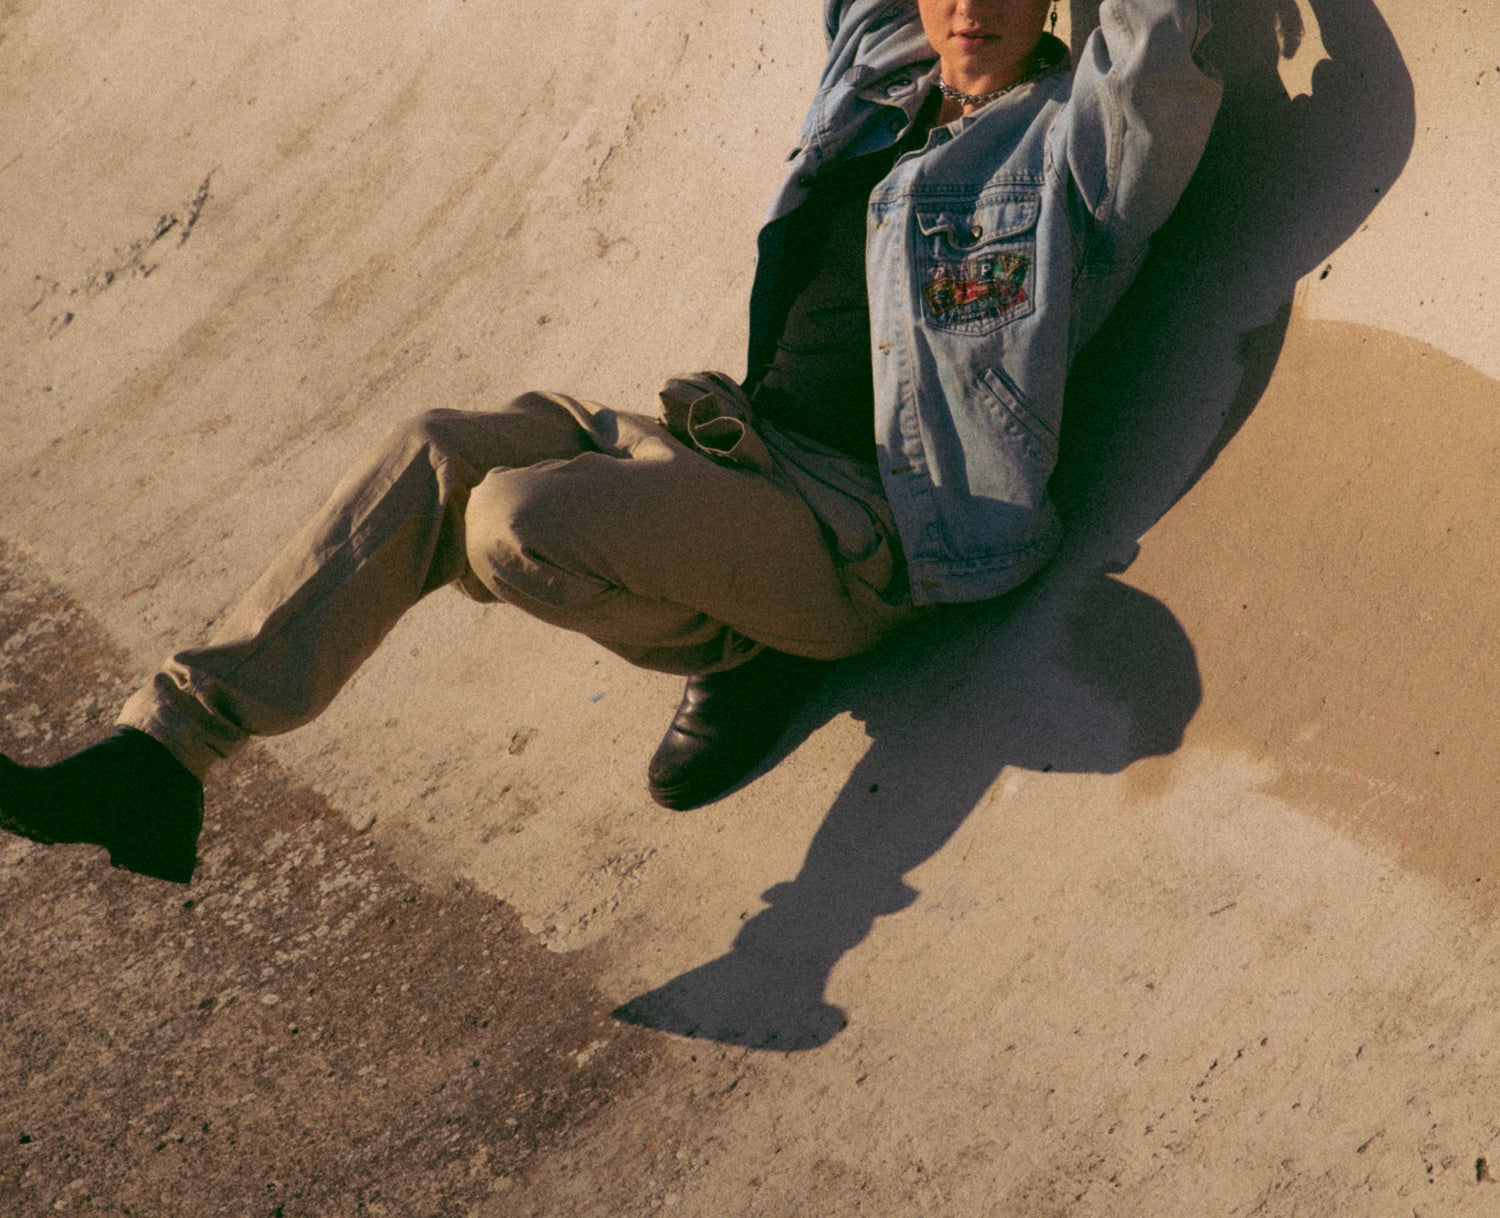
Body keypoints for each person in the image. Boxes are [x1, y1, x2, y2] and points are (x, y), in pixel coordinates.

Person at [0, 0, 1222, 885]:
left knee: (516, 524)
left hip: (874, 528)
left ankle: (745, 648)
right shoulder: (875, 80)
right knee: (433, 448)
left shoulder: (1074, 148)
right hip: (735, 451)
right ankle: (163, 755)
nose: (970, 10)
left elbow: (1157, 57)